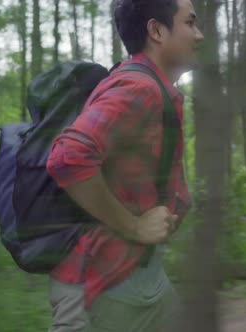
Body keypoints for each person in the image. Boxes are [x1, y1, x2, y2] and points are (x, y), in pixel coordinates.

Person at [45, 0, 204, 330]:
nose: (199, 35)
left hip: (140, 283)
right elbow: (68, 156)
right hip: (101, 290)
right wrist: (134, 227)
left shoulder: (153, 88)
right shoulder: (139, 87)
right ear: (156, 30)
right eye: (190, 23)